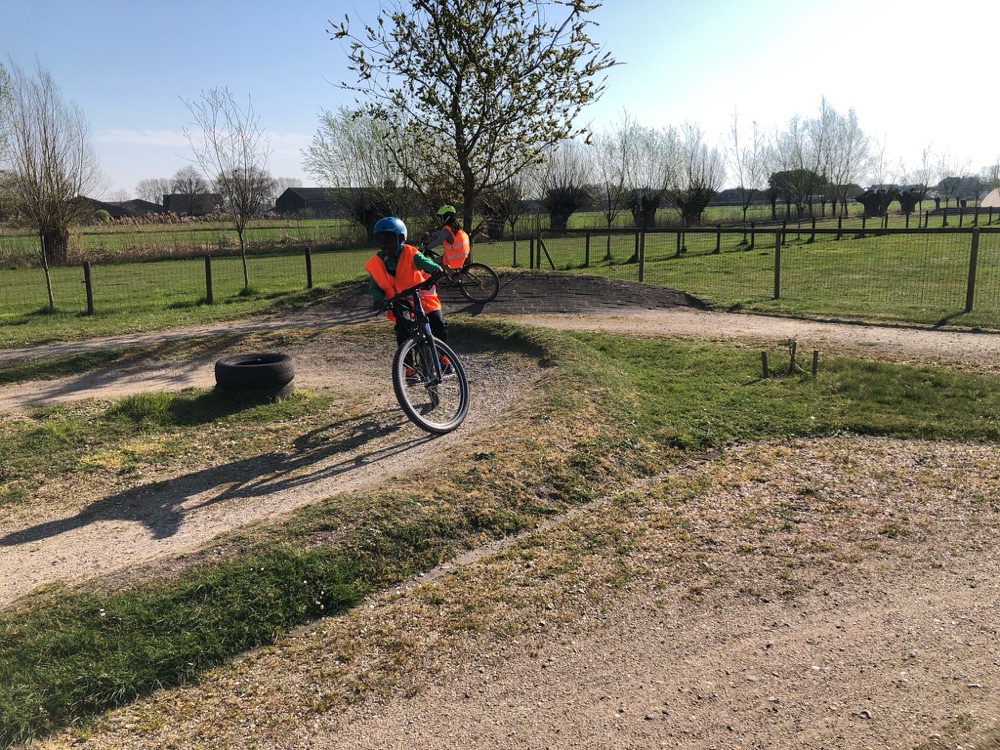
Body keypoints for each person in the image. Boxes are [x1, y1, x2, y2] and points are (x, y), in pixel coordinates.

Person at [365, 216, 451, 375]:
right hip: (398, 300)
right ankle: (409, 368)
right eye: (381, 241)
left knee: (438, 323)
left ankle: (444, 357)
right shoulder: (377, 262)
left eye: (389, 240)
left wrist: (435, 270)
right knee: (403, 326)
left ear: (400, 239)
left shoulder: (410, 253)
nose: (385, 245)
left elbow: (425, 262)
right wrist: (378, 299)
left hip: (421, 295)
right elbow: (374, 287)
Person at [423, 204, 470, 270]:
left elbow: (439, 241)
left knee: (433, 263)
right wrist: (431, 235)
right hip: (462, 252)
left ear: (446, 217)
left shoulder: (447, 229)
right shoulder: (455, 226)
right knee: (441, 264)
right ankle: (454, 275)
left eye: (441, 217)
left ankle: (455, 275)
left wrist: (427, 247)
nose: (440, 219)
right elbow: (441, 233)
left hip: (455, 255)